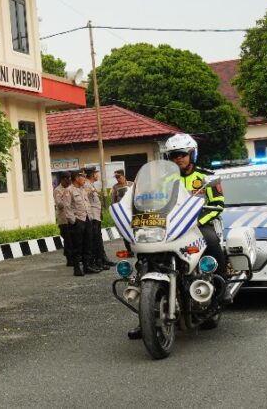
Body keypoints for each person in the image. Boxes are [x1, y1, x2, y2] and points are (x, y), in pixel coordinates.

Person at [129, 133, 226, 340]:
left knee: (212, 243)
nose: (178, 159)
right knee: (145, 255)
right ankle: (144, 316)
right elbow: (154, 203)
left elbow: (217, 205)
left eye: (182, 154)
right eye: (173, 156)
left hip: (200, 224)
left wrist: (198, 222)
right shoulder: (166, 180)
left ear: (192, 154)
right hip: (171, 227)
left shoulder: (206, 176)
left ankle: (220, 291)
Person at [68, 171, 101, 276]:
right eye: (83, 177)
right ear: (77, 178)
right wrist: (74, 221)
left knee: (88, 243)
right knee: (77, 245)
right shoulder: (69, 191)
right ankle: (77, 268)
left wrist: (90, 217)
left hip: (87, 219)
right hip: (78, 221)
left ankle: (87, 266)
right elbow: (67, 208)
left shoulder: (83, 190)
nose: (85, 179)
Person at [84, 167, 115, 270]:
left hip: (96, 215)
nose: (97, 175)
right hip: (92, 217)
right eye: (96, 174)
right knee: (95, 240)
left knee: (98, 239)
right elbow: (86, 199)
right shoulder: (87, 185)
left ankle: (102, 259)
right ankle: (98, 261)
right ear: (93, 175)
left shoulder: (91, 184)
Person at [111, 169, 135, 256]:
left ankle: (137, 249)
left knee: (135, 230)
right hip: (122, 212)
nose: (118, 179)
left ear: (124, 176)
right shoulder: (115, 187)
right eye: (116, 178)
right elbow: (113, 201)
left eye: (119, 177)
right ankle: (129, 250)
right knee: (125, 231)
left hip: (132, 210)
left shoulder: (132, 184)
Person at [54, 173, 75, 266]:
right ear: (63, 179)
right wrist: (67, 201)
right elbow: (59, 204)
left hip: (72, 218)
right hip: (63, 220)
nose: (69, 182)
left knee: (73, 239)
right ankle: (69, 258)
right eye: (67, 180)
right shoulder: (58, 190)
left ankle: (74, 257)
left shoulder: (71, 188)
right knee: (68, 240)